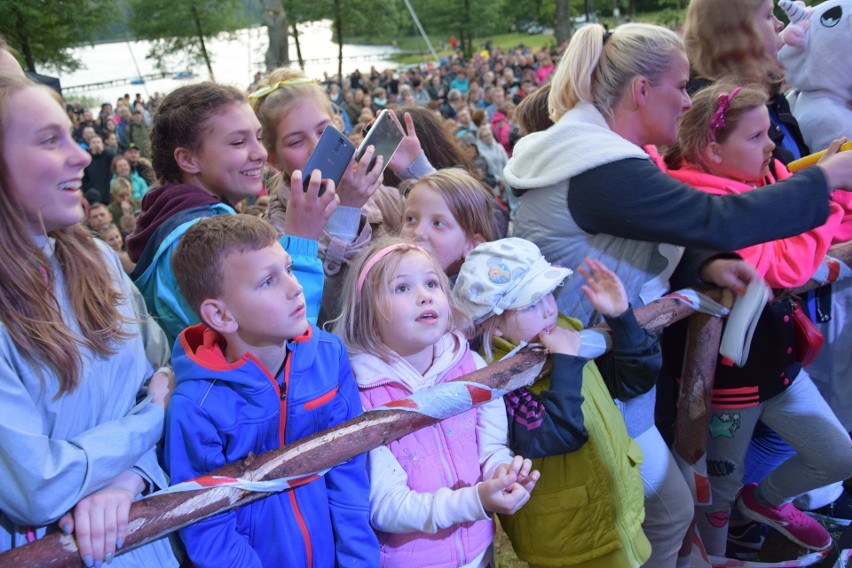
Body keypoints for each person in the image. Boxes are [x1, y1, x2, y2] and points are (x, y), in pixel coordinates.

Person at [503, 22, 852, 568]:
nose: (687, 101)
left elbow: (661, 233)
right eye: (681, 86)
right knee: (661, 513)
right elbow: (716, 217)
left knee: (663, 512)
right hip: (580, 375)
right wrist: (824, 179)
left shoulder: (599, 154)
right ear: (642, 91)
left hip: (606, 365)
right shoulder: (601, 165)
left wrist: (706, 263)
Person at [662, 82, 852, 554]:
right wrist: (823, 194)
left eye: (770, 132)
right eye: (755, 137)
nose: (773, 146)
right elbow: (788, 263)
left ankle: (762, 503)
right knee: (717, 498)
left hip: (781, 370)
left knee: (837, 456)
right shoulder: (704, 205)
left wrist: (814, 185)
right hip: (729, 389)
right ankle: (722, 555)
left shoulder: (763, 181)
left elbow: (792, 224)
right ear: (711, 149)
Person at [0, 73, 176, 567]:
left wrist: (128, 477)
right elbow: (36, 484)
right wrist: (146, 424)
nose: (80, 156)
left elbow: (162, 375)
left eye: (72, 136)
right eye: (49, 140)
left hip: (142, 536)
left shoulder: (96, 259)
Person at [165, 214, 378, 567]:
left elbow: (350, 466)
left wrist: (360, 561)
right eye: (267, 282)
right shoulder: (197, 407)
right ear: (220, 315)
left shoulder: (328, 356)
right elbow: (206, 526)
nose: (295, 288)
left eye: (289, 268)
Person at [332, 237, 539, 567]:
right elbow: (385, 506)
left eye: (431, 283)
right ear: (369, 315)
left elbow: (490, 448)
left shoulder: (472, 367)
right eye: (401, 288)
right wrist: (475, 500)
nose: (424, 295)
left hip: (479, 552)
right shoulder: (361, 395)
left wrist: (502, 472)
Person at [454, 238, 661, 567]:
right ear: (493, 328)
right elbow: (555, 434)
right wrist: (566, 363)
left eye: (548, 294)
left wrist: (622, 318)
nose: (550, 307)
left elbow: (633, 381)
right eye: (530, 304)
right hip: (567, 540)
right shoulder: (499, 376)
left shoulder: (564, 330)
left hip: (614, 512)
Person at [125, 82, 326, 345]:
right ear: (188, 159)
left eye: (259, 136)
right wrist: (302, 240)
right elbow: (284, 346)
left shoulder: (167, 219)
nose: (261, 153)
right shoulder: (197, 240)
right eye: (238, 142)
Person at [249, 68, 402, 323]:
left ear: (339, 125)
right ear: (273, 159)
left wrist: (412, 167)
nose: (316, 146)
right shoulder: (273, 233)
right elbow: (319, 315)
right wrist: (347, 213)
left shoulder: (373, 193)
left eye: (324, 131)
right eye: (296, 142)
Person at [399, 167, 498, 278]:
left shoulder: (477, 293)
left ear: (473, 245)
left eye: (438, 223)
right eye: (411, 219)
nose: (418, 232)